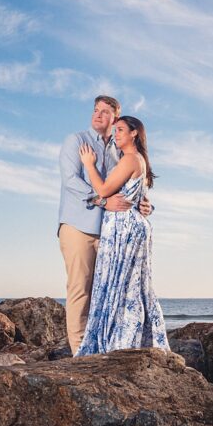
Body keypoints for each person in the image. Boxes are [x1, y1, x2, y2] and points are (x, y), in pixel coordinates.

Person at [58, 96, 151, 354]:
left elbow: (129, 184)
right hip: (79, 227)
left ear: (115, 119)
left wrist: (144, 204)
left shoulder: (118, 149)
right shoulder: (76, 141)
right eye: (95, 110)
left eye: (105, 112)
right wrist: (102, 200)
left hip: (111, 233)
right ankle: (81, 355)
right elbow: (70, 181)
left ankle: (102, 348)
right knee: (80, 289)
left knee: (107, 291)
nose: (98, 115)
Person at [74, 115, 170, 355]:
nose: (116, 134)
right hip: (131, 227)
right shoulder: (139, 160)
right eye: (114, 130)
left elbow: (105, 190)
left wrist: (88, 164)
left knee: (119, 286)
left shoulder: (130, 159)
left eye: (120, 130)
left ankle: (121, 344)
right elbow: (140, 199)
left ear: (134, 133)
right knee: (131, 286)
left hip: (124, 229)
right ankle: (135, 342)